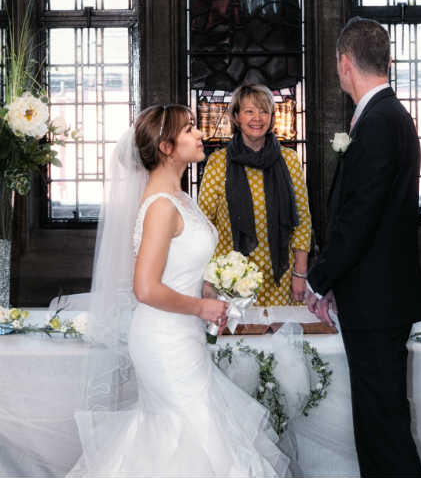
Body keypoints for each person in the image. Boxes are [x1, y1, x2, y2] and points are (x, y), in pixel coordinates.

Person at [67, 104, 289, 477]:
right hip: (163, 339)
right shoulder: (160, 206)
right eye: (189, 129)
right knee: (195, 435)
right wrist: (202, 306)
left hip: (183, 335)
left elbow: (177, 267)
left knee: (187, 436)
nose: (199, 133)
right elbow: (146, 288)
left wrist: (208, 286)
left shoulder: (179, 198)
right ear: (166, 147)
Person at [306, 17, 421, 478]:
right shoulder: (387, 116)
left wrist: (320, 279)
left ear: (344, 63)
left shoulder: (378, 122)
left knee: (384, 432)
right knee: (380, 428)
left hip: (377, 305)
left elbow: (359, 217)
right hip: (377, 298)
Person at [199, 84, 311, 305]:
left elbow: (302, 222)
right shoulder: (218, 163)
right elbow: (204, 223)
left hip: (280, 276)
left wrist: (300, 272)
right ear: (237, 117)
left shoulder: (289, 161)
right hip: (232, 277)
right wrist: (209, 278)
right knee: (237, 338)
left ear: (272, 117)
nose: (257, 118)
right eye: (249, 111)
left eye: (264, 111)